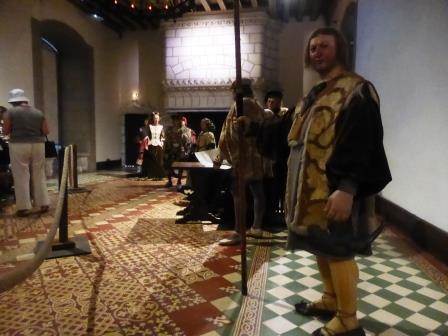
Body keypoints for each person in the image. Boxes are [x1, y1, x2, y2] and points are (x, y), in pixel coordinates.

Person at [285, 28, 391, 336]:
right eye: (313, 47)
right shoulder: (316, 92)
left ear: (340, 49)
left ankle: (347, 320)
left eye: (324, 46)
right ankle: (331, 300)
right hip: (310, 191)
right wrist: (252, 128)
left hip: (336, 189)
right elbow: (294, 137)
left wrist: (347, 187)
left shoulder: (356, 90)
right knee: (321, 246)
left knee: (338, 249)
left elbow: (363, 141)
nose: (317, 51)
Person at [215, 78, 271, 245]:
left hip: (243, 157)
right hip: (257, 156)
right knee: (258, 193)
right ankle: (256, 227)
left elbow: (230, 132)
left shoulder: (239, 105)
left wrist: (221, 156)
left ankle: (239, 232)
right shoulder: (257, 105)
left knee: (238, 194)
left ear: (236, 90)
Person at [2, 89, 50, 216]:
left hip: (18, 144)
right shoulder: (38, 112)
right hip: (38, 144)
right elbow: (46, 131)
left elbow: (6, 130)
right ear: (24, 99)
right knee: (39, 174)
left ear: (13, 101)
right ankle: (43, 203)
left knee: (21, 175)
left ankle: (24, 207)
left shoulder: (10, 112)